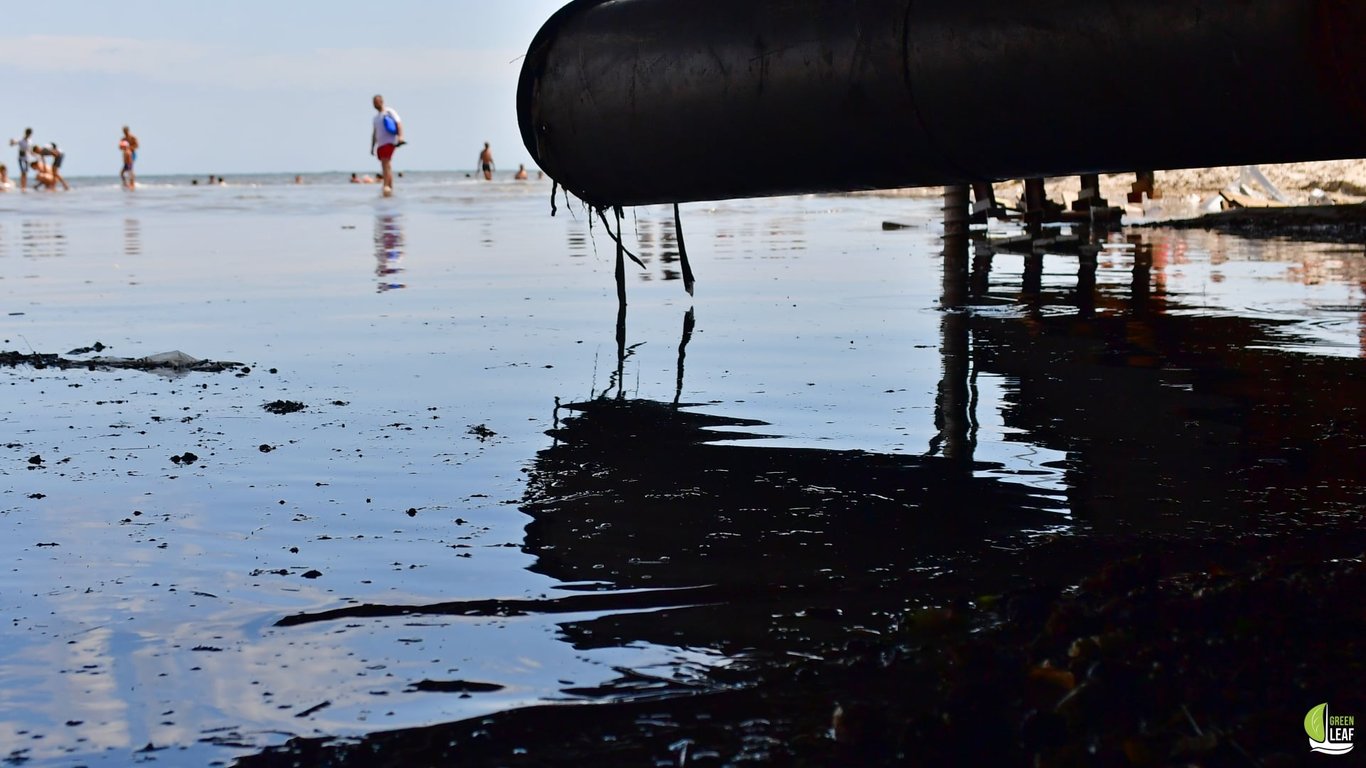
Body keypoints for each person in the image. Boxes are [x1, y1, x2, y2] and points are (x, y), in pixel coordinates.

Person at [369, 94, 403, 195]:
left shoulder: (389, 112)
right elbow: (374, 133)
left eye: (376, 102)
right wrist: (372, 147)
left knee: (385, 162)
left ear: (381, 101)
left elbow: (398, 123)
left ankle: (386, 186)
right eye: (374, 103)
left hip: (390, 141)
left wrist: (401, 137)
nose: (375, 105)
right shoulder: (375, 118)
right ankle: (389, 186)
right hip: (380, 144)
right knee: (385, 164)